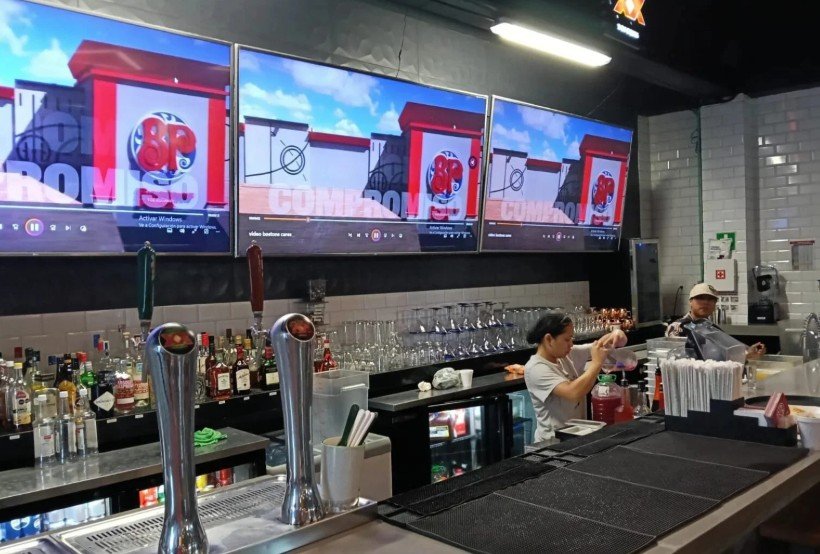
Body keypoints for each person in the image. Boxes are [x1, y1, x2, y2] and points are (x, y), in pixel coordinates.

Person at [523, 312, 628, 442]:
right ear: (549, 339)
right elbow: (573, 392)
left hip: (576, 436)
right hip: (553, 443)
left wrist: (617, 334)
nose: (571, 344)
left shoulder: (565, 355)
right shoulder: (535, 368)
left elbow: (601, 346)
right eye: (567, 339)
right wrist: (596, 363)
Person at [666, 283, 766, 359]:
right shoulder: (679, 327)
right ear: (690, 301)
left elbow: (727, 350)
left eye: (711, 299)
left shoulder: (711, 328)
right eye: (700, 298)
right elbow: (680, 358)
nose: (706, 302)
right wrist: (744, 355)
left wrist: (750, 351)